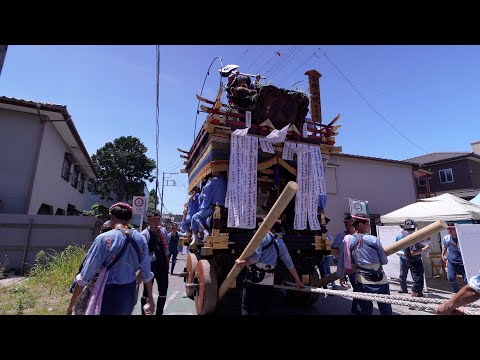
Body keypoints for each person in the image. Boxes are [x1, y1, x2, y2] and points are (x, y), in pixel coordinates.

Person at [67, 202, 155, 315]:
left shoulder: (103, 238)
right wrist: (151, 299)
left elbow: (86, 275)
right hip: (129, 292)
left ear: (112, 218)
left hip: (107, 293)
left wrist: (72, 302)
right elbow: (147, 273)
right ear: (129, 220)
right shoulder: (141, 239)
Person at [235, 222, 304, 315]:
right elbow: (289, 262)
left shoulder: (260, 237)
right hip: (268, 281)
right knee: (265, 309)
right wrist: (297, 280)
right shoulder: (280, 242)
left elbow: (255, 258)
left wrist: (241, 263)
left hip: (253, 279)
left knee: (247, 307)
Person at [337, 213, 392, 315]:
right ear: (361, 225)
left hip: (363, 280)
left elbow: (341, 260)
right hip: (380, 279)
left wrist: (341, 275)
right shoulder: (373, 239)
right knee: (386, 309)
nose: (369, 226)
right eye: (368, 223)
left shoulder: (347, 240)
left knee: (366, 310)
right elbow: (384, 261)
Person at [140, 210, 169, 315]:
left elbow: (166, 250)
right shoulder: (144, 234)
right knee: (146, 292)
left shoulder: (163, 232)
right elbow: (142, 254)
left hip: (162, 266)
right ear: (148, 221)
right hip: (149, 267)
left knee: (163, 291)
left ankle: (159, 313)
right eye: (153, 220)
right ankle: (144, 313)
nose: (156, 222)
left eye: (157, 220)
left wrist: (167, 263)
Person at [332, 214, 360, 314]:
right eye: (346, 225)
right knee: (357, 288)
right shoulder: (342, 235)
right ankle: (356, 307)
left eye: (349, 225)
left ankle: (357, 306)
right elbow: (334, 246)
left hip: (359, 266)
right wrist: (344, 246)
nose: (348, 227)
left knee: (360, 288)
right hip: (349, 266)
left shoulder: (358, 236)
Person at [190, 172, 227, 244]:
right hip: (223, 207)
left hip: (213, 208)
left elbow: (205, 195)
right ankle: (198, 235)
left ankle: (203, 233)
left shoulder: (212, 181)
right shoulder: (224, 180)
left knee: (195, 217)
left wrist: (201, 193)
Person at [398, 219, 430, 297]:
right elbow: (413, 252)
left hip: (410, 260)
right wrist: (424, 249)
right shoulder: (412, 237)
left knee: (418, 279)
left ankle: (419, 294)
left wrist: (423, 245)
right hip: (415, 261)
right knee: (418, 280)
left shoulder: (405, 235)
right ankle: (412, 300)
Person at [441, 222, 467, 293]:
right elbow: (445, 247)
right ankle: (457, 292)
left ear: (455, 229)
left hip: (463, 262)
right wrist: (443, 255)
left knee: (466, 280)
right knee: (451, 278)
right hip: (452, 262)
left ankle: (464, 294)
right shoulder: (446, 238)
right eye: (448, 228)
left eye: (451, 229)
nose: (448, 230)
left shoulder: (462, 237)